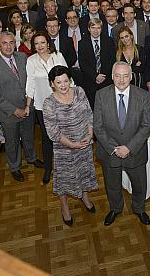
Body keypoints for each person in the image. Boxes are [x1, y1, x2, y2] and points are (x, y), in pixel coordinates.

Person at [93, 61, 150, 226]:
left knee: (139, 185)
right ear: (112, 77)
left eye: (125, 76)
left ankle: (139, 209)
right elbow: (98, 126)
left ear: (131, 76)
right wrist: (114, 148)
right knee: (112, 185)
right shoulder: (101, 95)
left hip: (135, 152)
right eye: (117, 76)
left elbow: (146, 126)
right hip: (110, 152)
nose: (121, 80)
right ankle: (115, 208)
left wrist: (129, 148)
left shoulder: (143, 95)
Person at [0, 31, 43, 182]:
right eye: (5, 43)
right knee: (12, 141)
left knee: (29, 135)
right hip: (8, 112)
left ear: (15, 44)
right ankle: (15, 167)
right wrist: (14, 110)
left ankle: (32, 157)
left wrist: (28, 104)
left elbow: (31, 80)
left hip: (28, 107)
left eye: (11, 42)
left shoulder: (23, 57)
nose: (9, 46)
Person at [43, 65, 97, 226]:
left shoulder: (79, 91)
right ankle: (64, 205)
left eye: (66, 81)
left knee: (84, 172)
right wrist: (72, 145)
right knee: (64, 178)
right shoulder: (49, 103)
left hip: (84, 143)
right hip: (64, 149)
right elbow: (53, 133)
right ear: (52, 83)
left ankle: (84, 196)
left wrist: (89, 134)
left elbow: (89, 114)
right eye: (59, 82)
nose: (63, 85)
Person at [26, 31, 68, 184]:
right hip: (41, 106)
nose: (39, 46)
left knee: (63, 136)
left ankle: (65, 167)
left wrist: (73, 97)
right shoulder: (31, 61)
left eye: (42, 42)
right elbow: (30, 84)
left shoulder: (58, 56)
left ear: (48, 43)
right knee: (47, 138)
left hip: (61, 102)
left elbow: (67, 78)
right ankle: (48, 169)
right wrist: (27, 105)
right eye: (36, 43)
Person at [78, 18, 115, 108]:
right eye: (93, 27)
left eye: (98, 28)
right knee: (93, 106)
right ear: (89, 29)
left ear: (101, 29)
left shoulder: (109, 41)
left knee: (107, 106)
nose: (95, 30)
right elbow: (82, 63)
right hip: (90, 80)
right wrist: (95, 76)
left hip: (106, 79)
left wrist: (103, 75)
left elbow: (112, 59)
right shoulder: (82, 43)